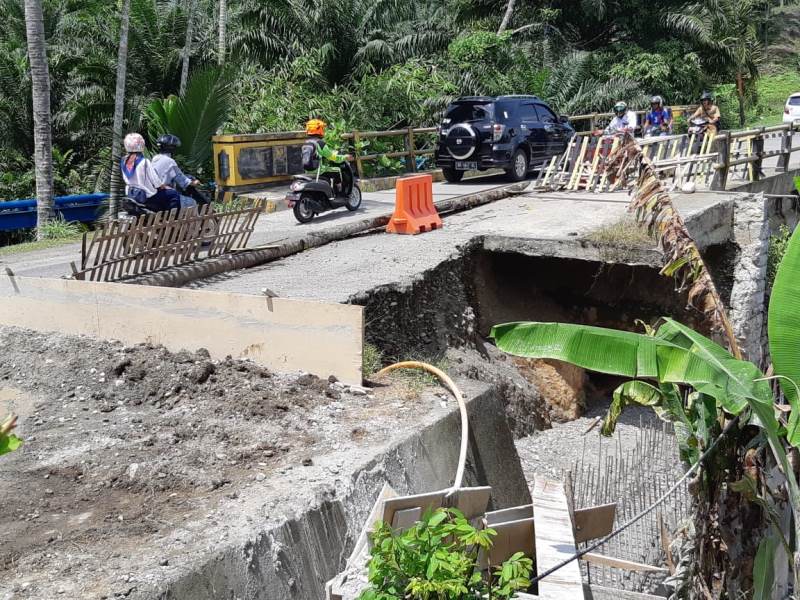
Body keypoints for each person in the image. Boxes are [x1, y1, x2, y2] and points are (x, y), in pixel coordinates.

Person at [120, 132, 180, 213]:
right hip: (147, 197)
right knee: (174, 194)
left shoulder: (124, 160)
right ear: (141, 144)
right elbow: (156, 182)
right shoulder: (144, 162)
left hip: (131, 194)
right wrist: (164, 187)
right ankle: (172, 219)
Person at [152, 134, 204, 207]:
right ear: (172, 148)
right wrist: (195, 182)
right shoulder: (170, 161)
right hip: (165, 195)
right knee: (192, 202)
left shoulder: (155, 159)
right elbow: (184, 181)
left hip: (155, 194)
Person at [301, 119, 350, 193]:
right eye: (322, 128)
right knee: (337, 170)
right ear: (319, 129)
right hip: (319, 171)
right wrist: (344, 157)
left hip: (307, 171)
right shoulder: (320, 143)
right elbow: (333, 158)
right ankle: (340, 191)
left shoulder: (306, 143)